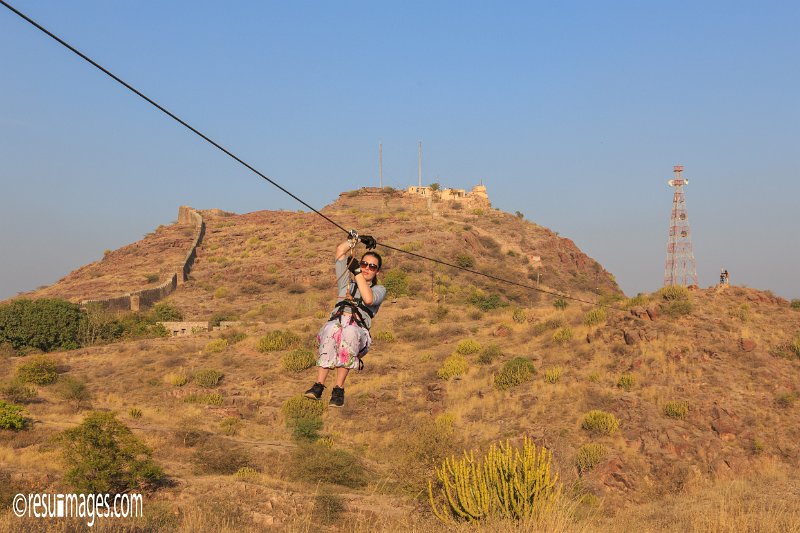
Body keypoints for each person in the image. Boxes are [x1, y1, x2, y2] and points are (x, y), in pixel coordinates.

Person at [304, 233, 386, 407]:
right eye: (364, 264)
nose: (366, 269)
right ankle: (319, 385)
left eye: (372, 267)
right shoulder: (346, 284)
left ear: (377, 271)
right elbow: (341, 251)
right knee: (332, 329)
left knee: (348, 332)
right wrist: (354, 241)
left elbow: (368, 299)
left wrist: (356, 272)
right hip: (337, 323)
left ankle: (338, 388)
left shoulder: (379, 289)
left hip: (358, 333)